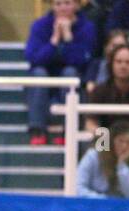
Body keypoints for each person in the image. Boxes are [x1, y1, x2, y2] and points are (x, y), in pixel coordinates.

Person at [24, 0, 96, 145]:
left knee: (70, 72)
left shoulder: (87, 27)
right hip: (44, 82)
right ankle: (37, 129)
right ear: (52, 6)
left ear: (76, 5)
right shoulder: (39, 25)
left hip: (73, 80)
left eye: (67, 3)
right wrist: (54, 40)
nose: (63, 8)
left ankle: (68, 130)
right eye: (58, 4)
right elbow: (34, 59)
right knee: (39, 73)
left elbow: (82, 60)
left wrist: (68, 38)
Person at [75, 121, 129, 198]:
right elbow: (79, 188)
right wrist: (104, 200)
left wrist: (121, 165)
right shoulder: (93, 156)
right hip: (93, 205)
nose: (124, 146)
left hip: (122, 207)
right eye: (120, 141)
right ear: (111, 142)